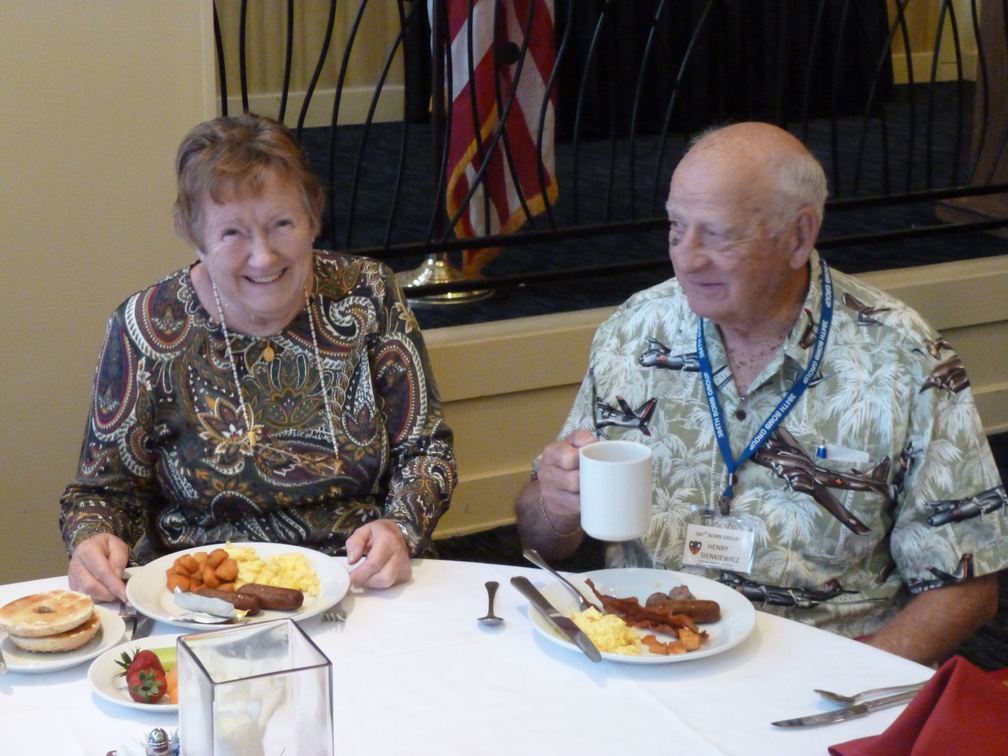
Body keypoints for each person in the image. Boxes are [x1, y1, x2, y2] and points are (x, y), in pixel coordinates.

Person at [515, 122, 1007, 667]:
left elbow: (968, 582)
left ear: (799, 236)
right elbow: (542, 536)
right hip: (644, 652)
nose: (687, 259)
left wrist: (854, 680)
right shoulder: (636, 331)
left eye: (718, 235)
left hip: (817, 666)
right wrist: (555, 505)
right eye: (677, 229)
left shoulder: (904, 361)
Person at [61, 113, 456, 601]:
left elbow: (426, 451)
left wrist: (401, 527)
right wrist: (92, 541)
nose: (264, 256)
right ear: (195, 236)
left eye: (282, 223)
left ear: (313, 218)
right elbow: (102, 494)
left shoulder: (367, 294)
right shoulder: (146, 326)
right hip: (205, 598)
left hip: (360, 582)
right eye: (232, 233)